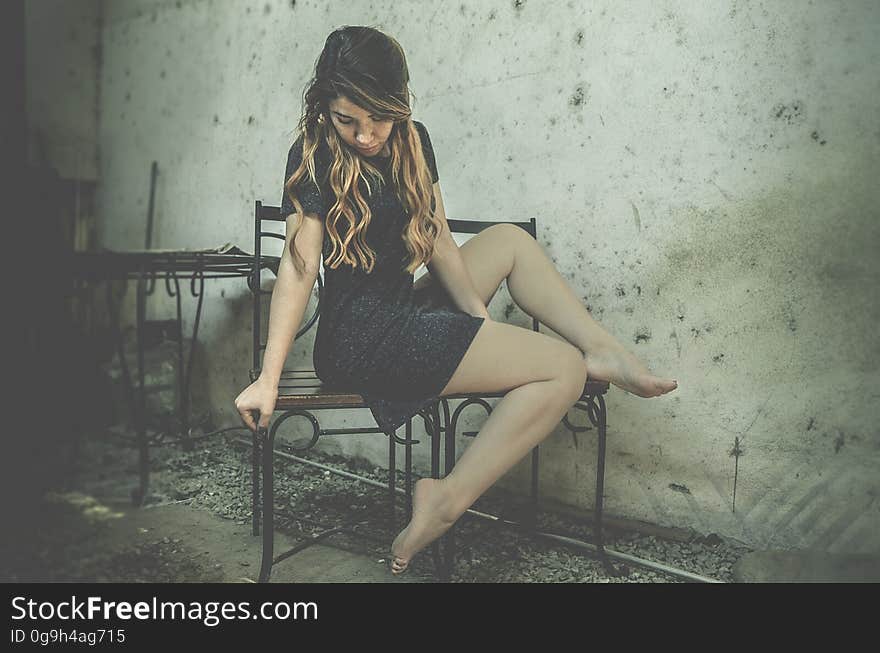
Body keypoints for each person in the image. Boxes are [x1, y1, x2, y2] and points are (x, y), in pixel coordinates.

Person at [235, 25, 678, 576]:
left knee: (510, 241)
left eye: (380, 118)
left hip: (404, 312)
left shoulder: (414, 140)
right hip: (359, 341)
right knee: (561, 370)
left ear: (400, 104)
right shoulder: (312, 154)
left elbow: (439, 237)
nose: (367, 135)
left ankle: (604, 348)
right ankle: (445, 499)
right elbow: (300, 268)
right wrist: (269, 377)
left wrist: (477, 321)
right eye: (349, 120)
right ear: (324, 104)